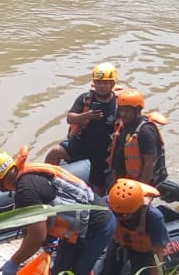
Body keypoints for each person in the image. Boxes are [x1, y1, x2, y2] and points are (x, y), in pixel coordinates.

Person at [44, 63, 121, 195]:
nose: (101, 86)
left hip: (103, 151)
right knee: (54, 152)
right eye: (98, 82)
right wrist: (86, 115)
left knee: (99, 188)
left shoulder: (118, 104)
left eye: (105, 83)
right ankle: (46, 183)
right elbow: (70, 118)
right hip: (83, 143)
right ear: (94, 83)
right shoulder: (85, 99)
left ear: (112, 84)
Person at [107, 178, 168, 275]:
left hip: (143, 252)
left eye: (122, 215)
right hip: (118, 243)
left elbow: (157, 254)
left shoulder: (153, 217)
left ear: (136, 210)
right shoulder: (112, 202)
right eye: (115, 214)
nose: (118, 217)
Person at [107, 90, 168, 189]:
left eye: (126, 111)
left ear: (138, 110)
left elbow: (149, 163)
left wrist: (142, 188)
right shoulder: (125, 125)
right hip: (122, 178)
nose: (122, 114)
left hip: (137, 184)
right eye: (121, 110)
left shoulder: (145, 131)